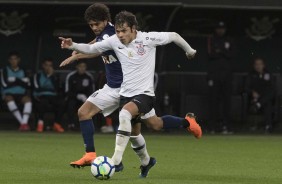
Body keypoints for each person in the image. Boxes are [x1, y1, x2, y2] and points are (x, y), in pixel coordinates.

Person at [59, 10, 202, 176]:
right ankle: (183, 126)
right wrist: (73, 46)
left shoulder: (147, 39)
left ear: (134, 29)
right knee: (150, 126)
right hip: (126, 94)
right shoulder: (114, 41)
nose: (120, 35)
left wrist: (189, 50)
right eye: (118, 31)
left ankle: (115, 161)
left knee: (125, 114)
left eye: (124, 31)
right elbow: (92, 48)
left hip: (145, 94)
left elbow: (174, 36)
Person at [207, 21, 235, 134]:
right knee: (213, 102)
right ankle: (213, 127)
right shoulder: (211, 39)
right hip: (214, 75)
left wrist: (221, 50)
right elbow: (211, 54)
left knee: (227, 102)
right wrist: (224, 51)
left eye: (222, 28)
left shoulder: (230, 40)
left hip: (227, 76)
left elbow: (232, 54)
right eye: (218, 28)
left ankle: (226, 126)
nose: (220, 30)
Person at [1, 51, 32, 131]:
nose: (13, 61)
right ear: (9, 60)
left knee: (28, 100)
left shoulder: (23, 71)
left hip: (20, 93)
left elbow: (28, 85)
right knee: (9, 99)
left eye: (15, 59)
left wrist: (15, 80)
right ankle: (23, 123)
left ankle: (24, 123)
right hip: (8, 93)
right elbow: (5, 84)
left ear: (18, 60)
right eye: (11, 59)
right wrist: (20, 82)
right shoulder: (5, 70)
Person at [32, 58, 65, 132]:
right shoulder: (37, 76)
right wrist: (49, 89)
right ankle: (40, 123)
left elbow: (57, 89)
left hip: (52, 96)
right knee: (43, 102)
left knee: (62, 103)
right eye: (46, 65)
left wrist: (51, 76)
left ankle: (57, 124)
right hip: (40, 96)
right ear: (43, 66)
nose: (48, 67)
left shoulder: (55, 76)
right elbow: (37, 88)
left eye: (50, 66)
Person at [245, 57, 275, 133]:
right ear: (254, 66)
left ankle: (267, 126)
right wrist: (252, 92)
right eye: (256, 64)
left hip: (264, 97)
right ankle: (268, 125)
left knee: (270, 96)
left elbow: (272, 88)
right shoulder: (251, 74)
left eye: (260, 64)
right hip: (254, 98)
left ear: (263, 65)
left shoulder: (268, 74)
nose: (258, 66)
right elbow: (246, 88)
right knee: (267, 102)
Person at [65, 61, 94, 131]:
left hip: (86, 99)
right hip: (73, 98)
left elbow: (92, 91)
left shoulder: (89, 77)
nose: (82, 68)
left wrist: (87, 98)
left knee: (90, 106)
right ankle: (71, 124)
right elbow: (67, 91)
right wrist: (77, 96)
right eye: (80, 66)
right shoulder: (71, 76)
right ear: (77, 67)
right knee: (71, 104)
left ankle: (86, 126)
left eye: (84, 66)